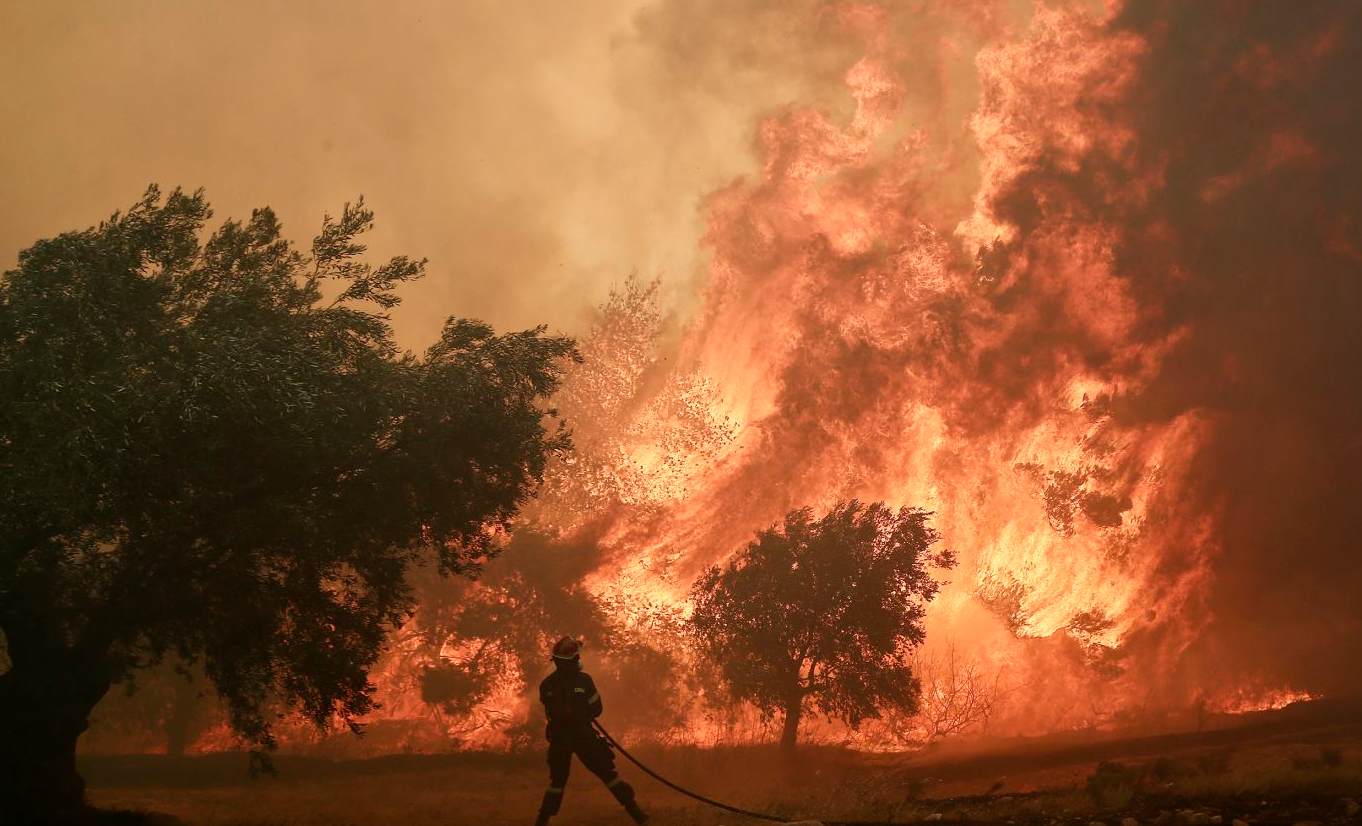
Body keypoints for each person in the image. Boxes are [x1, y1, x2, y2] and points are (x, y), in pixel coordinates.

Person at [534, 637, 648, 825]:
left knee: (558, 781)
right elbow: (597, 709)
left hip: (560, 737)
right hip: (583, 735)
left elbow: (551, 710)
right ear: (573, 660)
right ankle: (636, 813)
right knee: (607, 774)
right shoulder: (585, 680)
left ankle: (541, 820)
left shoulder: (546, 685)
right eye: (577, 656)